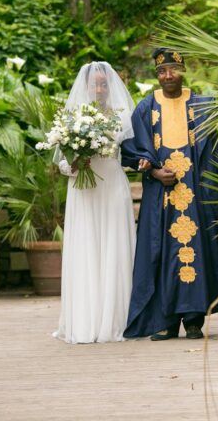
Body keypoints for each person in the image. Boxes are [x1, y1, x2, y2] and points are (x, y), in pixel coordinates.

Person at [121, 48, 218, 341]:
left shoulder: (203, 106)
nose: (168, 76)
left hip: (195, 195)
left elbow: (215, 154)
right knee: (162, 255)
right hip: (161, 198)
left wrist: (205, 190)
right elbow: (131, 151)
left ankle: (194, 320)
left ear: (183, 71)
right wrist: (154, 172)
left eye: (173, 70)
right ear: (156, 75)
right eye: (161, 71)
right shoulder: (146, 108)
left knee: (198, 254)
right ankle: (165, 320)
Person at [53, 61, 148, 343]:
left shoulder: (122, 116)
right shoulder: (73, 116)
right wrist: (74, 164)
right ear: (86, 86)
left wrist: (145, 162)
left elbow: (131, 153)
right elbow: (62, 162)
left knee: (113, 246)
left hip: (112, 186)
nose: (99, 89)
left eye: (104, 84)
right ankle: (86, 319)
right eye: (94, 84)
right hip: (83, 190)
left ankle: (117, 318)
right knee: (86, 246)